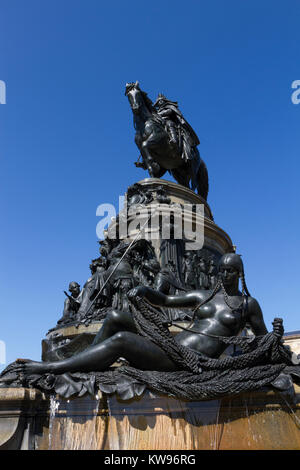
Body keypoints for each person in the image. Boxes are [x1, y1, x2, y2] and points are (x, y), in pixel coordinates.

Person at [15, 253, 280, 377]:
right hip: (171, 347)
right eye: (221, 270)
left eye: (230, 271)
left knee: (122, 341)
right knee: (116, 318)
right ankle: (86, 366)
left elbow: (262, 340)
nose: (224, 275)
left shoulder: (248, 305)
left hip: (186, 361)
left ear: (240, 273)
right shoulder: (204, 296)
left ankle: (52, 368)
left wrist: (276, 338)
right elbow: (166, 299)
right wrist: (144, 290)